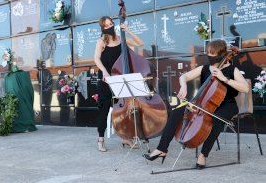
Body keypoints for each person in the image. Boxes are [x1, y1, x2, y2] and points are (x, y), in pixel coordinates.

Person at [143, 39, 249, 168]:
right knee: (177, 111)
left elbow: (245, 88)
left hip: (227, 105)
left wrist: (224, 78)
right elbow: (184, 77)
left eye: (213, 54)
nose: (209, 57)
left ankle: (203, 155)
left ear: (222, 55)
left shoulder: (233, 70)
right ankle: (162, 149)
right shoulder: (204, 68)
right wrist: (183, 87)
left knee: (216, 121)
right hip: (204, 103)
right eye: (208, 53)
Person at [94, 16, 144, 152]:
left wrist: (127, 30)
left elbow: (140, 43)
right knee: (104, 110)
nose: (109, 27)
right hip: (105, 79)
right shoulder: (101, 41)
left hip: (120, 78)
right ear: (102, 28)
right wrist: (104, 72)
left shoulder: (121, 39)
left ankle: (125, 138)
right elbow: (96, 59)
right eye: (106, 25)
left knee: (123, 109)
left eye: (111, 24)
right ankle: (100, 139)